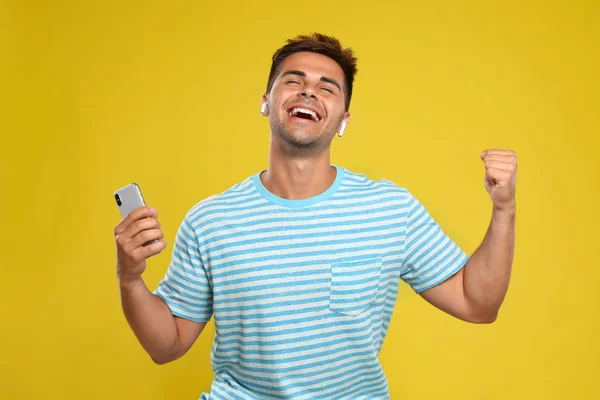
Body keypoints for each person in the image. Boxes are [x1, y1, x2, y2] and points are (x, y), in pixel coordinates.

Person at [114, 33, 517, 399]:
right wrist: (130, 279)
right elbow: (166, 347)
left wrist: (503, 210)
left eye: (327, 88)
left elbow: (476, 304)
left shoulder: (390, 210)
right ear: (265, 101)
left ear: (343, 120)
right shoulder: (211, 221)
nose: (309, 92)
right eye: (294, 80)